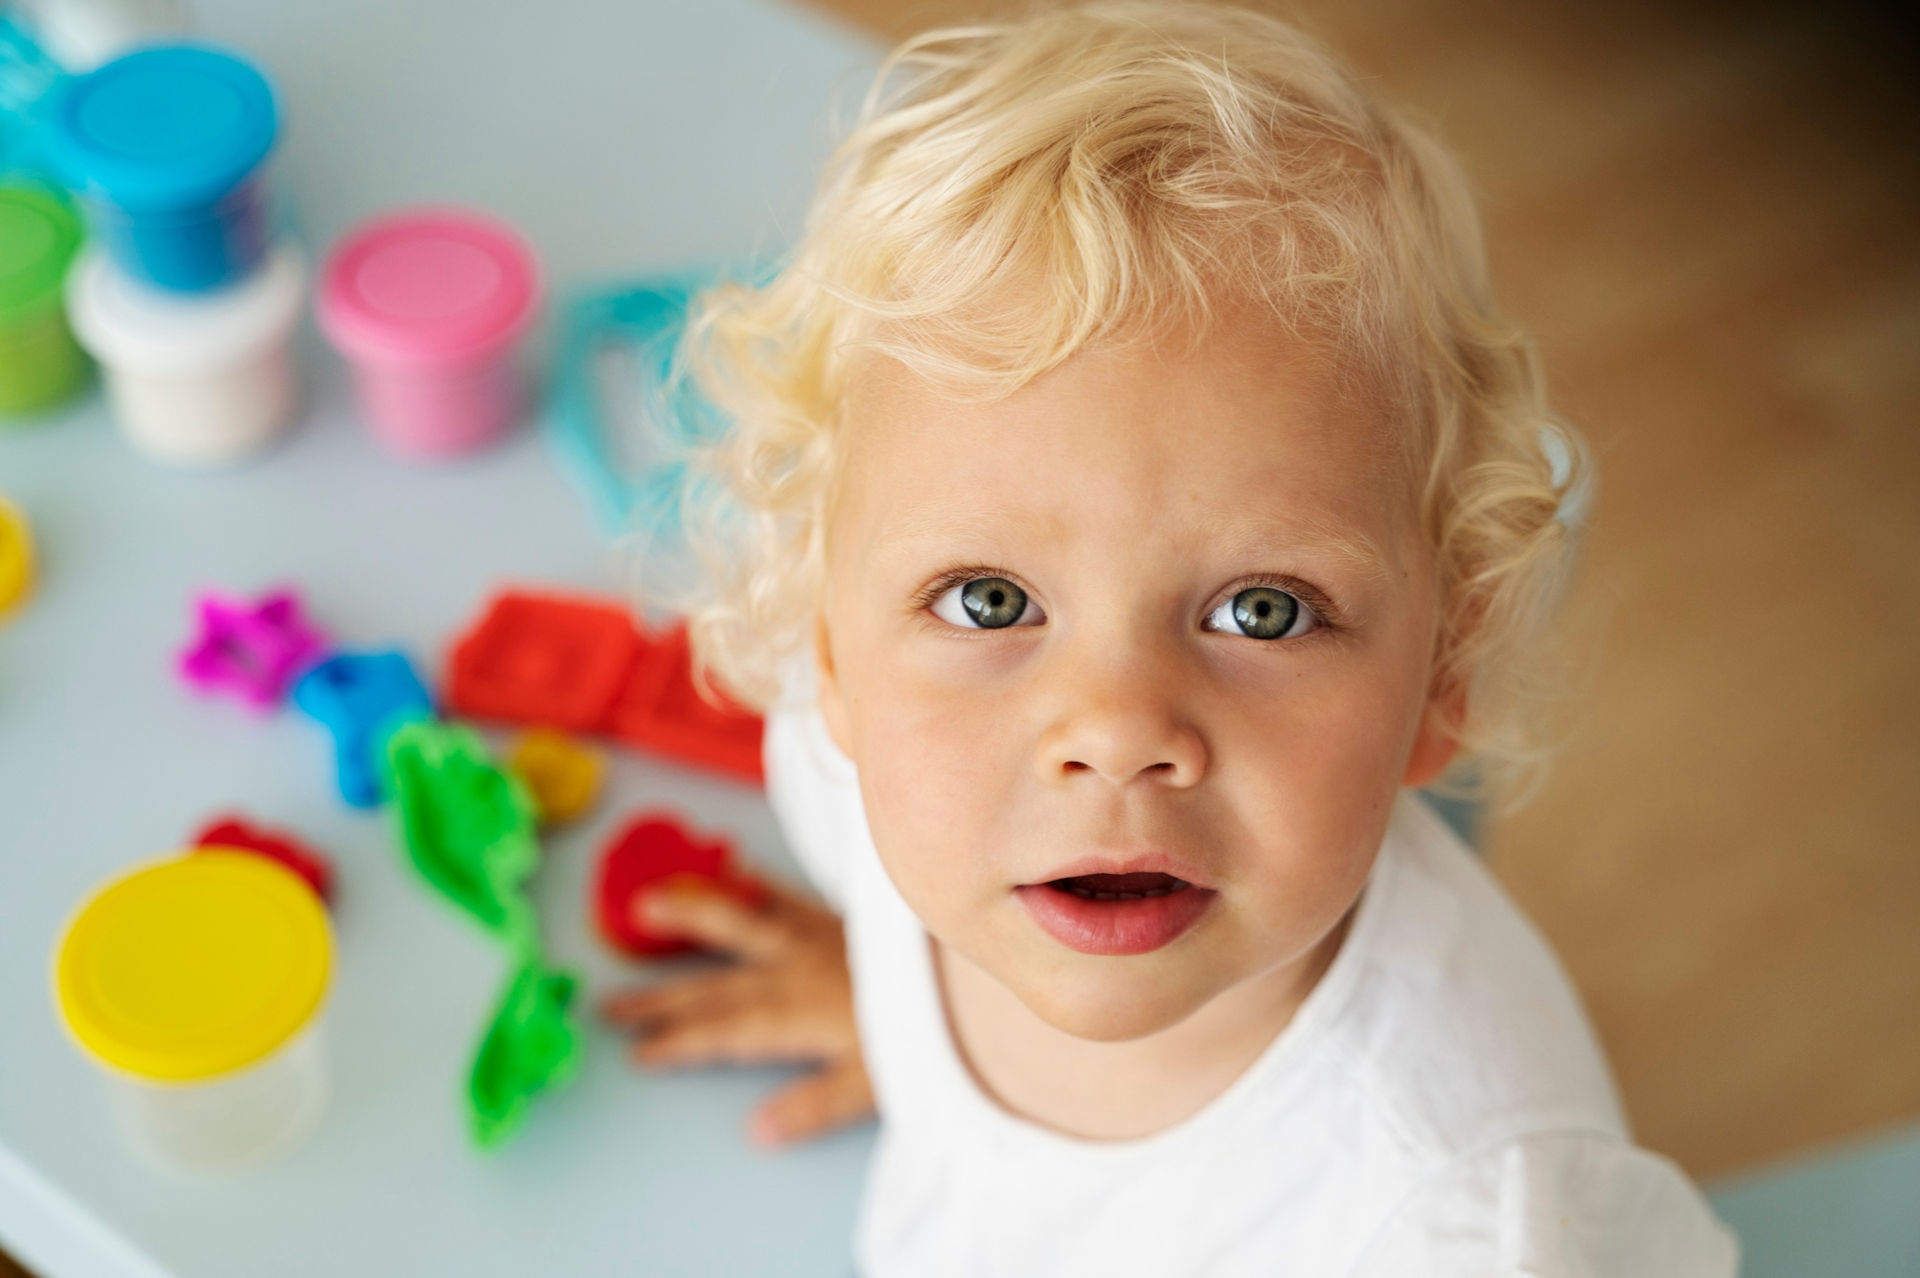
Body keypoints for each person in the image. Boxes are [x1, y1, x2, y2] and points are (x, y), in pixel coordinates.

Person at [600, 2, 1742, 1272]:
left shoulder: (1468, 1218)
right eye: (991, 601)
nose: (1118, 733)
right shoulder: (847, 766)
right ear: (830, 647)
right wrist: (894, 1009)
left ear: (1445, 673)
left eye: (1261, 610)